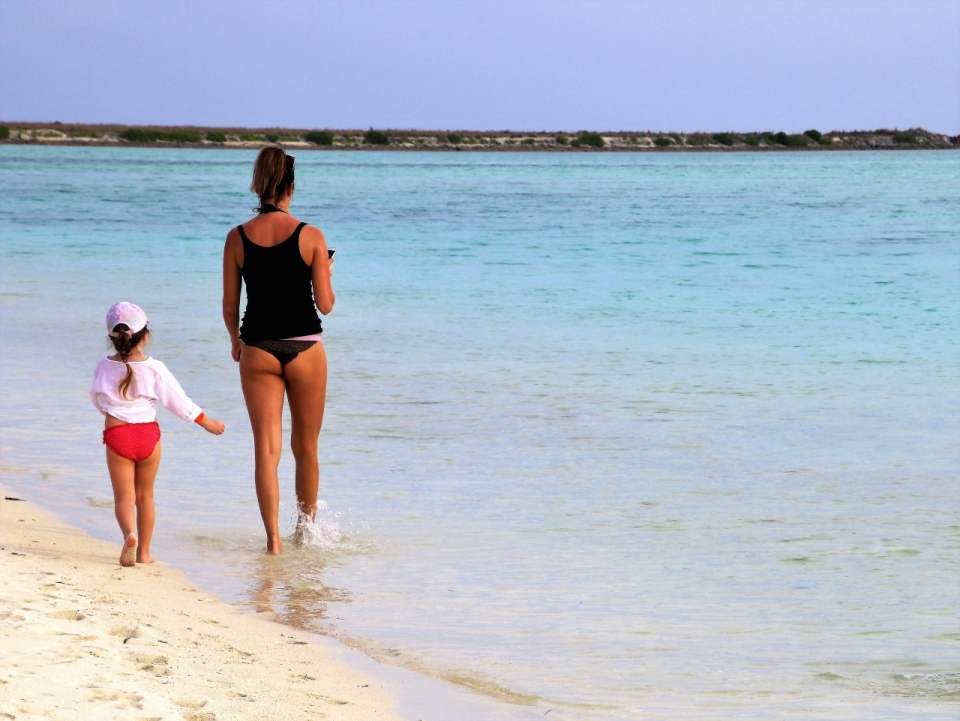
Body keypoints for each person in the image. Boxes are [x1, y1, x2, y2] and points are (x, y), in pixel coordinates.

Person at [222, 147, 335, 555]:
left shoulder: (237, 237)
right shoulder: (312, 236)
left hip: (257, 348)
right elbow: (325, 304)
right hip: (305, 347)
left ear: (259, 184)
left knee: (266, 450)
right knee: (305, 448)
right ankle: (306, 533)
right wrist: (327, 271)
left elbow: (230, 305)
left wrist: (235, 341)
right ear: (291, 186)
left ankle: (273, 543)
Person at [91, 302, 225, 566]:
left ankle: (130, 535)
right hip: (148, 438)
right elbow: (177, 400)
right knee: (146, 496)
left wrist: (110, 413)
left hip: (117, 435)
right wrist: (205, 421)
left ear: (111, 338)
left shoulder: (103, 366)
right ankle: (144, 553)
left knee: (124, 498)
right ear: (146, 336)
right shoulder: (155, 368)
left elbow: (97, 398)